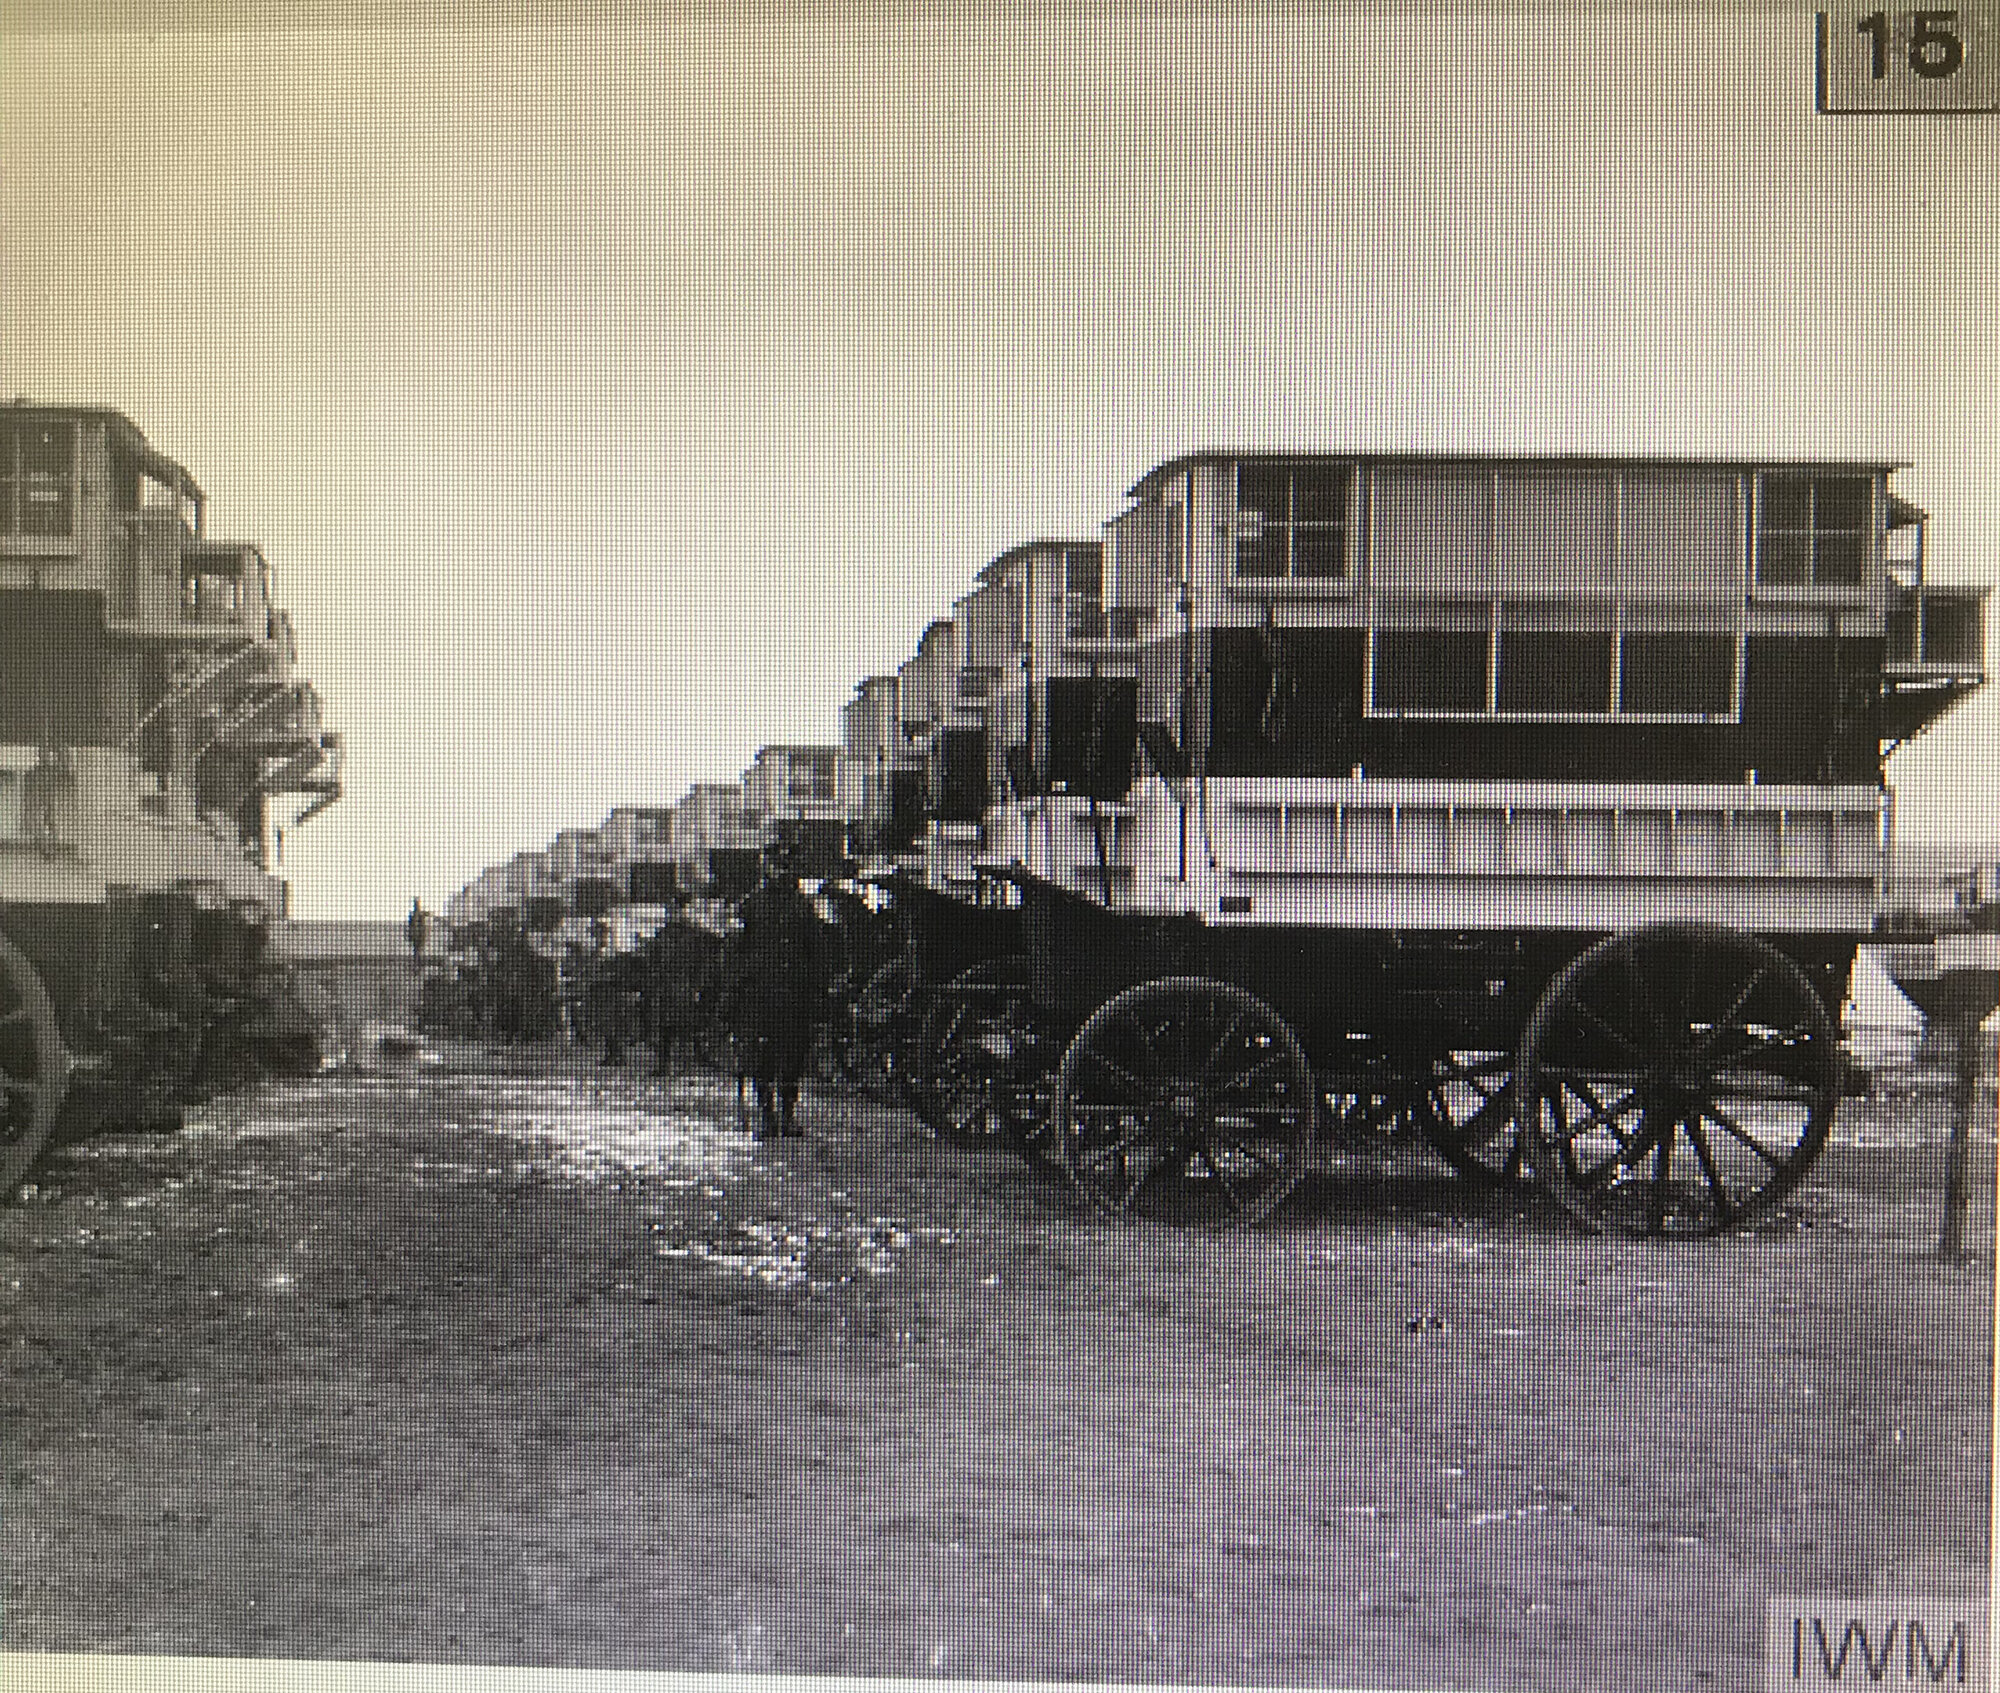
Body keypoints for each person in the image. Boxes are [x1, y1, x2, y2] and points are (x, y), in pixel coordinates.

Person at [726, 850, 831, 1138]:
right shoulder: (767, 905)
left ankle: (779, 1115)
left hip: (780, 990)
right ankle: (775, 1115)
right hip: (774, 991)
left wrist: (818, 984)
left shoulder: (789, 904)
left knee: (781, 1054)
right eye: (778, 866)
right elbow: (733, 949)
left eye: (783, 866)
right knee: (776, 1055)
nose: (781, 872)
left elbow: (817, 948)